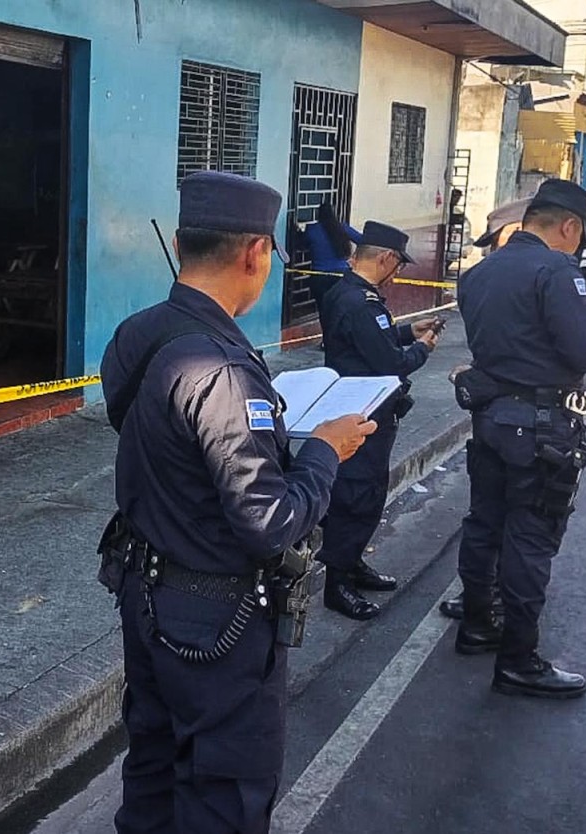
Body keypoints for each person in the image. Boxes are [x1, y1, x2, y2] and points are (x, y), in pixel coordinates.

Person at [100, 170, 377, 834]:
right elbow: (270, 523)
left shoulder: (137, 334)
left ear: (179, 240)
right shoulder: (222, 367)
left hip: (145, 591)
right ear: (255, 253)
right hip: (213, 619)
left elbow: (150, 434)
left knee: (154, 766)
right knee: (224, 791)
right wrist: (322, 452)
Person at [453, 178, 586, 699]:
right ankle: (519, 660)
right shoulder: (555, 270)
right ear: (569, 227)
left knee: (484, 524)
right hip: (541, 427)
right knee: (530, 539)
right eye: (580, 235)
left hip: (490, 420)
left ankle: (478, 623)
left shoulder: (478, 274)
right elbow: (582, 352)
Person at [317, 221, 440, 619]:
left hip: (366, 411)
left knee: (366, 494)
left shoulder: (352, 294)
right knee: (355, 497)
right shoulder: (360, 302)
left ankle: (351, 563)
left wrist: (406, 331)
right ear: (385, 258)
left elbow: (371, 342)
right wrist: (421, 348)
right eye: (397, 265)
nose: (398, 272)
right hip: (362, 412)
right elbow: (388, 362)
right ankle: (337, 583)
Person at [438, 196, 532, 621]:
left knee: (484, 516)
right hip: (529, 420)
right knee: (524, 523)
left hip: (488, 411)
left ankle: (476, 602)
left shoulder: (475, 279)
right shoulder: (542, 276)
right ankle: (500, 609)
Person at [300, 200, 363, 313]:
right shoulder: (341, 228)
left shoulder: (312, 230)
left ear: (318, 215)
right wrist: (355, 260)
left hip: (320, 277)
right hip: (341, 276)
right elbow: (362, 240)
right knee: (340, 312)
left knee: (324, 312)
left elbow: (301, 244)